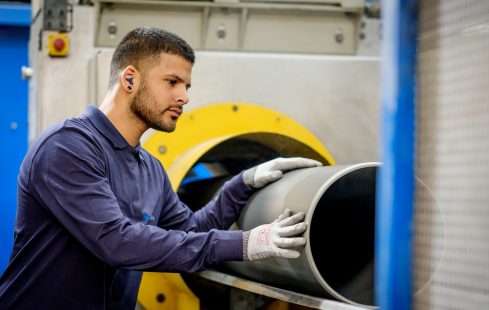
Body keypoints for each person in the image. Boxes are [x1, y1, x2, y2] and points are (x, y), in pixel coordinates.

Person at [0, 27, 322, 309]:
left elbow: (188, 231)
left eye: (187, 86)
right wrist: (246, 243)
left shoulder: (149, 169)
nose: (183, 97)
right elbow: (116, 242)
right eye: (172, 82)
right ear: (130, 79)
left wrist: (242, 185)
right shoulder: (68, 147)